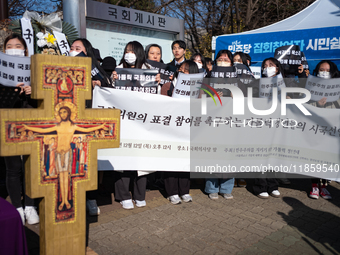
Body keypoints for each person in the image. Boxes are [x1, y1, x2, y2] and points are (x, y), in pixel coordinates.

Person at [22, 104, 107, 211]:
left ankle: (66, 200)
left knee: (66, 177)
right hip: (58, 153)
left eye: (65, 112)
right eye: (61, 112)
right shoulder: (57, 126)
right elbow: (43, 130)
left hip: (67, 152)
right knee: (60, 177)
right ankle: (62, 200)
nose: (63, 114)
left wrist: (100, 126)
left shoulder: (73, 126)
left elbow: (86, 129)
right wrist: (28, 127)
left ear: (69, 113)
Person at [2, 33, 40, 225]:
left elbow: (44, 99)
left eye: (18, 45)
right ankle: (17, 206)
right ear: (4, 50)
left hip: (31, 123)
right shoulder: (1, 72)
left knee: (31, 166)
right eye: (10, 46)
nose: (14, 48)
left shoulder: (34, 69)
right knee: (13, 167)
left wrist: (35, 91)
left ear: (25, 50)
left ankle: (31, 206)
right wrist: (12, 91)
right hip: (8, 123)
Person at [112, 41, 153, 209]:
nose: (128, 54)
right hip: (123, 119)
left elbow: (153, 96)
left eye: (132, 51)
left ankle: (139, 194)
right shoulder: (118, 69)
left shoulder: (149, 70)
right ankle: (123, 195)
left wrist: (155, 81)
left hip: (142, 121)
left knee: (141, 159)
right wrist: (112, 79)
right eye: (126, 51)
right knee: (123, 157)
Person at [160, 61, 198, 204]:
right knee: (171, 160)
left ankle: (184, 191)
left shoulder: (198, 89)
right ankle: (172, 192)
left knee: (184, 161)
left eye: (187, 70)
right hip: (171, 129)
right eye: (181, 69)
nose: (183, 72)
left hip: (188, 129)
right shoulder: (168, 86)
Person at [308, 60, 340, 200]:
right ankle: (314, 185)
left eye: (327, 70)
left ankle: (324, 186)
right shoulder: (312, 86)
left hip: (332, 128)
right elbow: (306, 104)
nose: (324, 72)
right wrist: (317, 103)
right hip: (315, 127)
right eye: (321, 69)